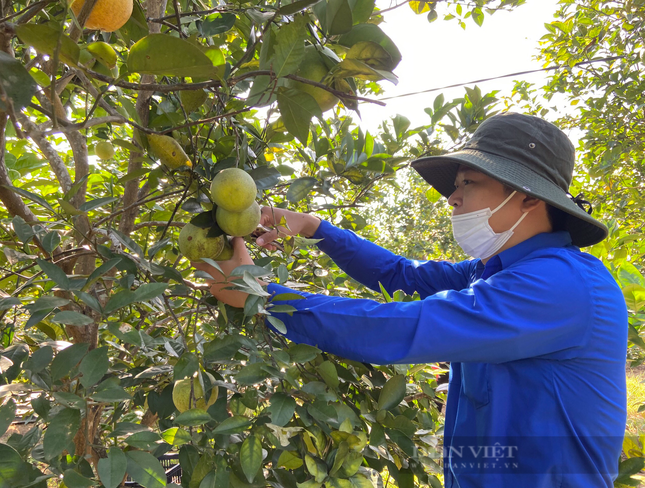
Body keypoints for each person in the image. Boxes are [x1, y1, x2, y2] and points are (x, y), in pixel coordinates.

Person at [196, 112, 628, 487]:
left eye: (468, 183)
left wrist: (264, 296)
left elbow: (404, 327)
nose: (452, 198)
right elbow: (399, 275)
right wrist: (314, 228)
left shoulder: (563, 285)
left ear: (528, 197)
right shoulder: (492, 273)